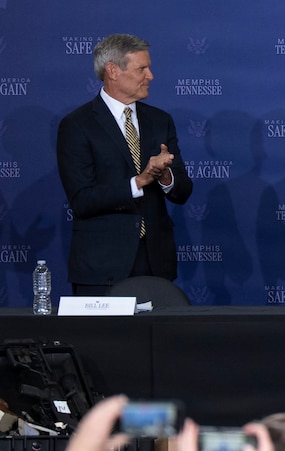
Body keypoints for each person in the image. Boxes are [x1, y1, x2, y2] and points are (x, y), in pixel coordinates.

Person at [55, 33, 193, 295]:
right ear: (113, 71)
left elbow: (183, 191)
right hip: (102, 266)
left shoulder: (160, 121)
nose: (150, 75)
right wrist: (139, 182)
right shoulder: (77, 125)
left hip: (155, 263)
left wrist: (165, 177)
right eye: (142, 68)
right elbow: (82, 200)